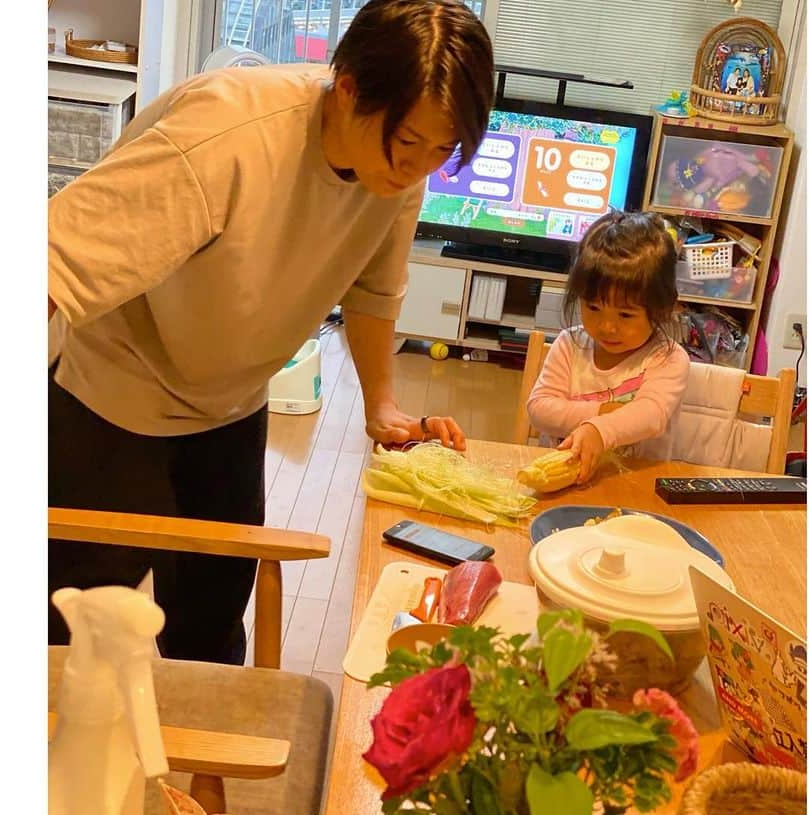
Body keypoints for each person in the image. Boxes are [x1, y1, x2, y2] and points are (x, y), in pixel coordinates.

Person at [47, 0, 494, 664]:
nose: (420, 168)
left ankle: (195, 763)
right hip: (112, 398)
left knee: (213, 624)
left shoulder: (399, 171)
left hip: (230, 406)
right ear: (346, 88)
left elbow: (373, 290)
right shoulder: (226, 136)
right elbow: (52, 261)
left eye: (443, 151)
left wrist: (382, 406)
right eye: (408, 145)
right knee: (95, 644)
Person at [526, 211, 690, 483]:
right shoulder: (569, 345)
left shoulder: (667, 359)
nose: (607, 327)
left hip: (635, 488)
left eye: (625, 315)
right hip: (563, 488)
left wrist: (600, 430)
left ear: (662, 308)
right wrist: (600, 413)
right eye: (593, 308)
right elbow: (539, 409)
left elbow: (651, 415)